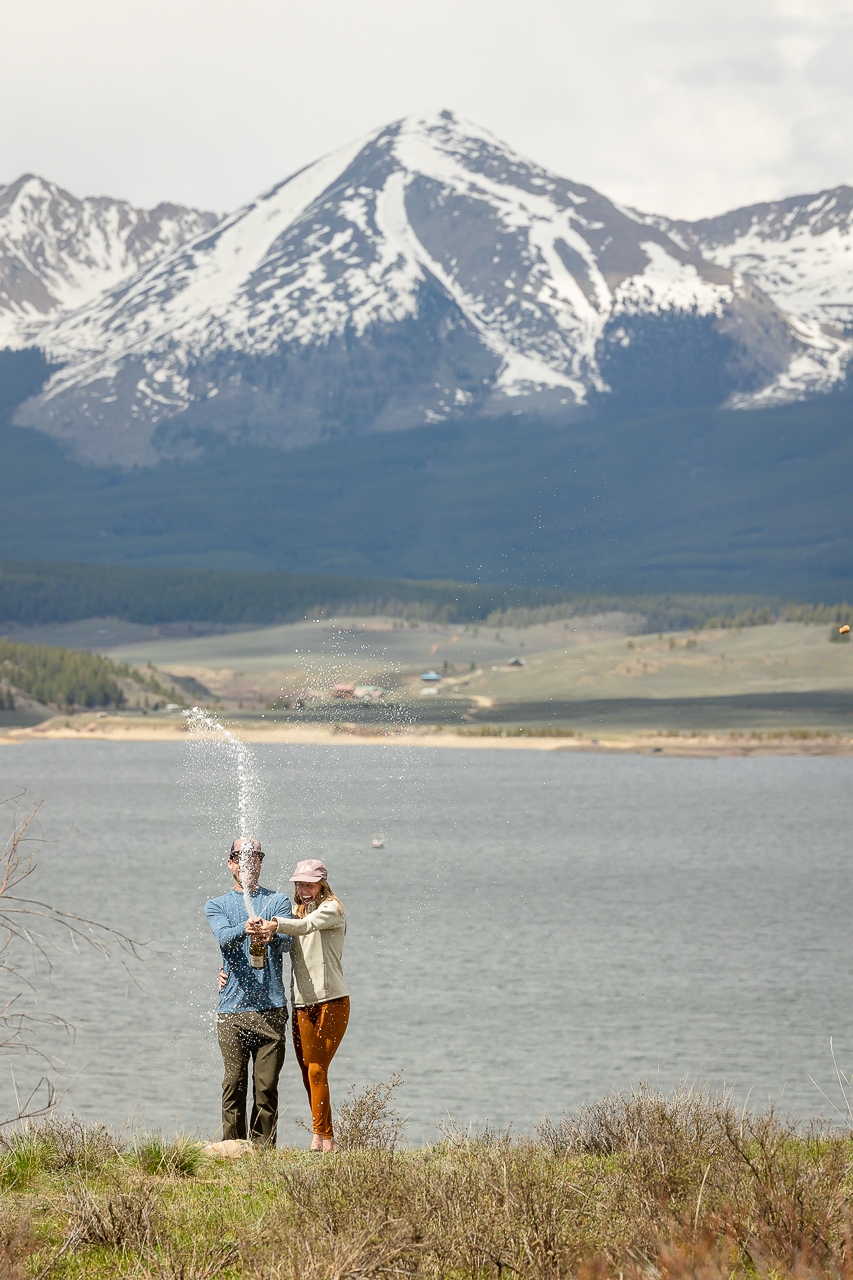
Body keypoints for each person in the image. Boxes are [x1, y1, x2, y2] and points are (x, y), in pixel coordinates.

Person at [248, 858, 348, 1153]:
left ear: (322, 884)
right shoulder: (293, 912)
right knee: (308, 1071)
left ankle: (324, 1138)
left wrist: (276, 924)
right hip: (302, 1004)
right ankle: (322, 1137)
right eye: (299, 884)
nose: (304, 889)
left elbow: (305, 926)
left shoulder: (331, 909)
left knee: (317, 1069)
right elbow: (287, 927)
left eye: (309, 883)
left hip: (332, 1000)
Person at [205, 839, 293, 1146]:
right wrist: (245, 927)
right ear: (230, 863)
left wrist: (270, 933)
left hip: (271, 1008)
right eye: (241, 857)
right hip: (232, 1010)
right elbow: (223, 937)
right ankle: (233, 1149)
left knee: (266, 1087)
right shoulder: (216, 905)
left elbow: (288, 943)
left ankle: (263, 1155)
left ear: (260, 862)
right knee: (234, 1084)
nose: (248, 863)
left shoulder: (278, 901)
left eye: (255, 857)